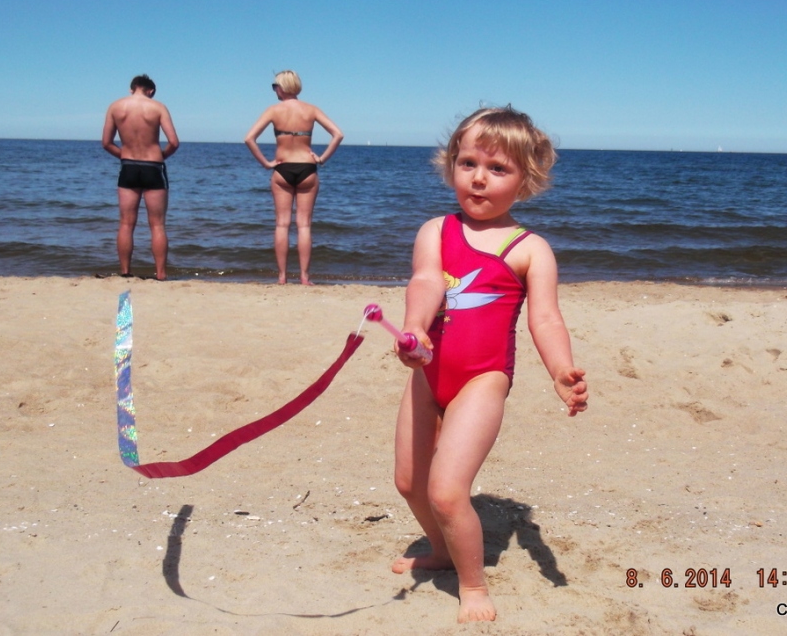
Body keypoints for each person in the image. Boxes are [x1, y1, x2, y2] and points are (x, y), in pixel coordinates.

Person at [390, 107, 589, 623]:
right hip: (428, 371)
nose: (478, 177)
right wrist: (414, 329)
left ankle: (473, 585)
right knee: (410, 482)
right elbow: (427, 281)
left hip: (482, 378)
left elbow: (545, 319)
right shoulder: (436, 230)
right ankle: (439, 549)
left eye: (498, 169)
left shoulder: (529, 249)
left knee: (447, 489)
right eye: (468, 162)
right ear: (451, 164)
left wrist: (561, 370)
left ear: (527, 180)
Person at [244, 70, 344, 285]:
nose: (274, 90)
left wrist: (266, 163)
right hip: (308, 168)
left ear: (282, 87)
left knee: (282, 224)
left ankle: (282, 277)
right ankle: (305, 277)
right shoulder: (311, 110)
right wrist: (323, 158)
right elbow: (338, 134)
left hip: (282, 168)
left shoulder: (273, 111)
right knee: (304, 225)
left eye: (274, 86)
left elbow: (249, 138)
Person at [102, 74, 179, 280]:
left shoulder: (115, 107)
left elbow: (107, 142)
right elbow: (174, 142)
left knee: (126, 223)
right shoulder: (158, 107)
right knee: (157, 224)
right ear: (151, 91)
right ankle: (161, 274)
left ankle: (125, 272)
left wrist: (125, 156)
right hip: (153, 166)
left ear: (132, 88)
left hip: (128, 166)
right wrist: (160, 157)